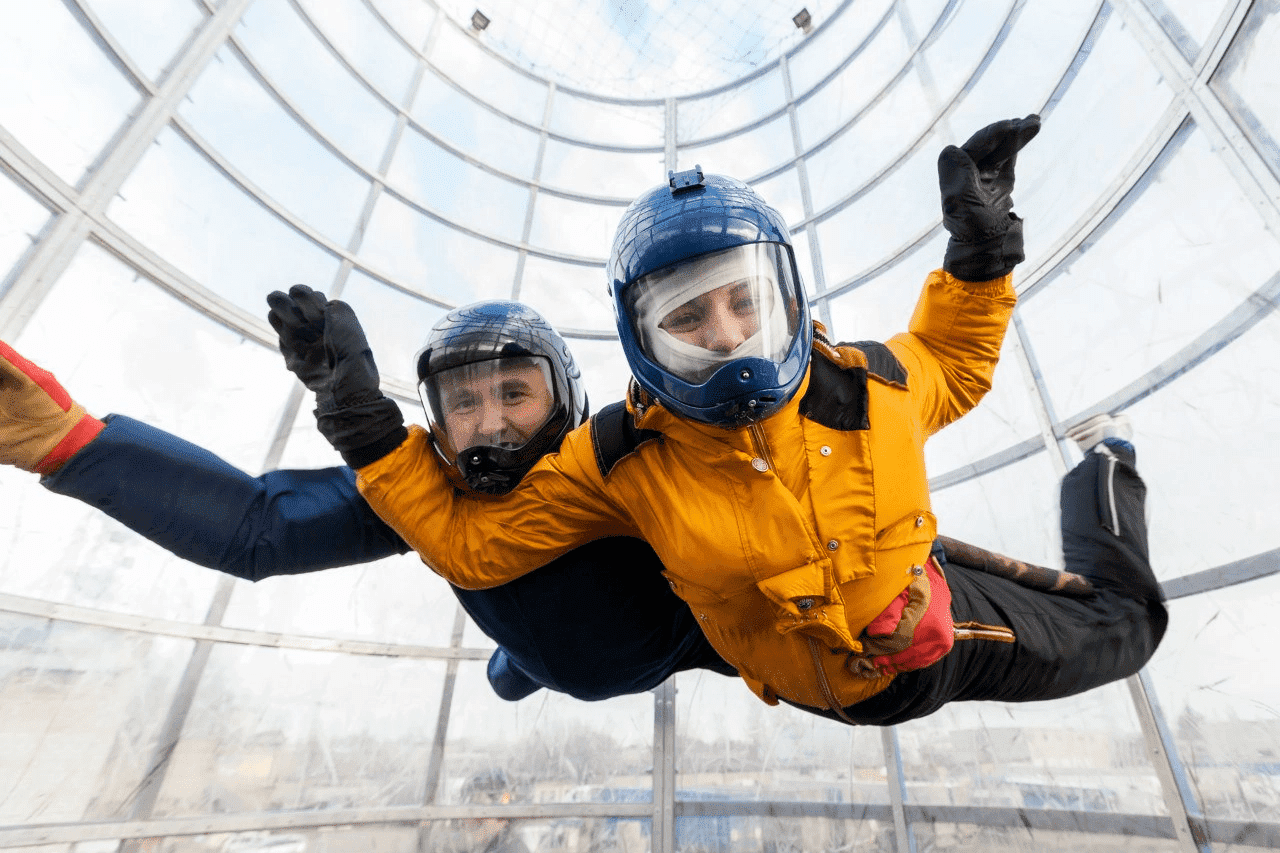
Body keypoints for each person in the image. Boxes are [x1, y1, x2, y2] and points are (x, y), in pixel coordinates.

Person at [290, 114, 1167, 725]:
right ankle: (1093, 478)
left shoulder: (871, 384)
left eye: (746, 302)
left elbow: (957, 362)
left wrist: (982, 250)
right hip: (870, 668)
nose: (729, 338)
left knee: (1126, 625)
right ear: (641, 339)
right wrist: (360, 418)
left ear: (786, 294)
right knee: (1108, 624)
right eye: (686, 319)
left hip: (918, 596)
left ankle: (1105, 473)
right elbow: (476, 548)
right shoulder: (621, 458)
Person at [0, 306, 737, 704]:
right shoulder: (423, 487)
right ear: (437, 418)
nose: (487, 424)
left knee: (528, 665)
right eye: (463, 402)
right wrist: (70, 443)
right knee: (526, 660)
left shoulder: (628, 464)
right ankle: (520, 664)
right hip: (559, 643)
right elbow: (260, 528)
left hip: (675, 639)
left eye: (514, 392)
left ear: (566, 399)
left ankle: (519, 666)